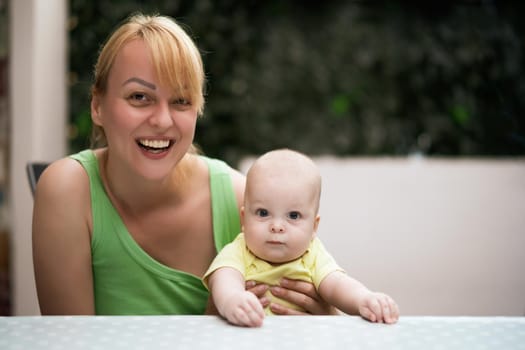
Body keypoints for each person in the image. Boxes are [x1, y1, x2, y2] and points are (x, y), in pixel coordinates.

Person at [31, 13, 335, 315]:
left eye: (181, 101)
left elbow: (321, 303)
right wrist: (211, 325)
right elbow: (68, 342)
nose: (162, 120)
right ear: (97, 107)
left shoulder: (242, 200)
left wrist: (321, 320)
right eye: (139, 97)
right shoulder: (68, 190)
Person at [203, 149, 400, 327]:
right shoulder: (239, 250)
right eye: (263, 213)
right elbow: (224, 278)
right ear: (244, 219)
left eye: (293, 216)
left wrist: (364, 299)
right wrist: (232, 299)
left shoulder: (312, 254)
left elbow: (337, 284)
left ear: (314, 227)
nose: (277, 226)